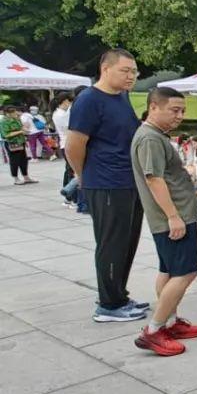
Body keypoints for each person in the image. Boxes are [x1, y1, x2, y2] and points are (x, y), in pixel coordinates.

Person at [67, 49, 148, 323]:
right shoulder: (89, 100)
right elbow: (74, 144)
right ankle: (108, 304)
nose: (131, 76)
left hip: (130, 180)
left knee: (128, 241)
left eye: (134, 71)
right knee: (112, 243)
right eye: (125, 70)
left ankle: (119, 294)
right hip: (106, 181)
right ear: (106, 69)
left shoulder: (122, 98)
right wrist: (84, 176)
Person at [129, 88, 197, 356]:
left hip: (173, 215)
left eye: (182, 110)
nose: (180, 116)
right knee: (185, 272)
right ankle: (154, 330)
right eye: (174, 110)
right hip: (173, 217)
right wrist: (173, 216)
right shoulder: (150, 138)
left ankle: (170, 321)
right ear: (153, 107)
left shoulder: (153, 136)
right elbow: (154, 179)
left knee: (170, 271)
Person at [1, 105, 34, 185]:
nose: (15, 113)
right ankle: (16, 178)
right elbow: (6, 135)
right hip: (12, 143)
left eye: (14, 111)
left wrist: (25, 129)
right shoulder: (4, 122)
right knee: (14, 161)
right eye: (12, 112)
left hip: (21, 142)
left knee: (24, 160)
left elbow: (21, 127)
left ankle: (26, 177)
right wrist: (20, 132)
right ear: (7, 113)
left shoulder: (16, 119)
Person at [51, 93, 72, 193]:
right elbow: (69, 127)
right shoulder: (61, 114)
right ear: (64, 101)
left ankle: (68, 195)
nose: (70, 104)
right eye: (69, 101)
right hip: (67, 143)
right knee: (71, 171)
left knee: (69, 170)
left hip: (66, 143)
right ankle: (69, 196)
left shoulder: (62, 113)